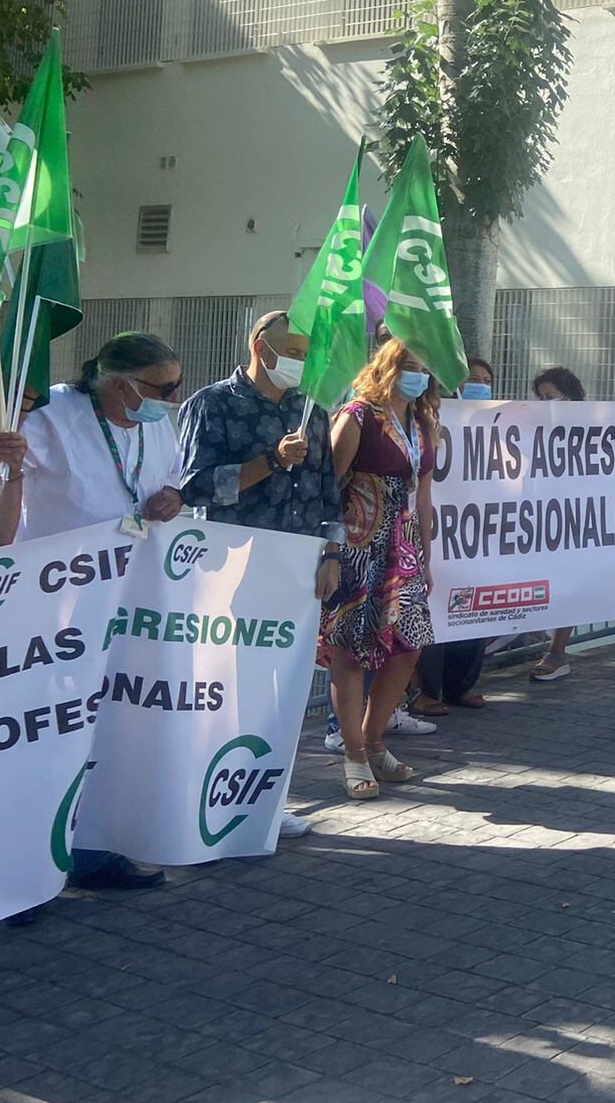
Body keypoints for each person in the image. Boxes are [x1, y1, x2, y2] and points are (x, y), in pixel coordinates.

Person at [17, 332, 187, 891]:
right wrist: (5, 432)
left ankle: (89, 846)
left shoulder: (156, 424)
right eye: (163, 388)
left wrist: (174, 498)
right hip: (55, 606)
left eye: (176, 386)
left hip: (126, 603)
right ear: (118, 384)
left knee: (107, 726)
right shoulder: (53, 415)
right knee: (50, 729)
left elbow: (171, 479)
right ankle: (26, 862)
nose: (172, 399)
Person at [175, 310, 345, 835]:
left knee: (280, 691)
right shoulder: (212, 404)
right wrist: (271, 460)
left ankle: (266, 800)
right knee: (231, 687)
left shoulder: (310, 411)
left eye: (304, 355)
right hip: (233, 572)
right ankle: (208, 797)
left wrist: (333, 555)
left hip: (297, 573)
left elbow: (328, 491)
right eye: (290, 352)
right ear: (259, 347)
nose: (299, 362)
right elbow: (194, 486)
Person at [323, 339, 439, 802]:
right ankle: (353, 753)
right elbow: (329, 488)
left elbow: (424, 497)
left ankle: (373, 741)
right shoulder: (357, 417)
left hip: (401, 549)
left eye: (424, 369)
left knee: (409, 646)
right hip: (356, 546)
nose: (418, 376)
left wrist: (425, 555)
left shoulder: (423, 423)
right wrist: (331, 554)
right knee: (351, 653)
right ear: (387, 367)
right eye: (409, 366)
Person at [416, 354, 495, 708]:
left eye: (486, 380)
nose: (480, 385)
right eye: (472, 378)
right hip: (439, 528)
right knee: (434, 614)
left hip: (475, 533)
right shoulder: (432, 418)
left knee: (472, 614)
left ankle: (460, 686)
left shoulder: (496, 420)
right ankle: (426, 692)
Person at [528, 366, 587, 679]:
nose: (543, 403)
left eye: (549, 396)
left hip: (577, 520)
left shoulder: (591, 427)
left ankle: (557, 650)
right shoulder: (534, 427)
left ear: (569, 397)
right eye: (540, 398)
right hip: (539, 517)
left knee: (569, 584)